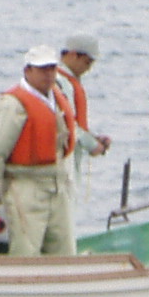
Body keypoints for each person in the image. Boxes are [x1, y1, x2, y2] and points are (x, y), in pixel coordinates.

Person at [0, 46, 77, 256]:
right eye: (42, 69)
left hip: (56, 184)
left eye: (52, 68)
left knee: (64, 250)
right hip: (25, 185)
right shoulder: (13, 104)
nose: (48, 74)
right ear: (28, 70)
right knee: (26, 250)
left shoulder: (57, 98)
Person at [58, 33, 113, 195]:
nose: (88, 69)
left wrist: (94, 138)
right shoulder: (60, 82)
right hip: (62, 159)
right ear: (74, 55)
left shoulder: (68, 81)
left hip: (72, 155)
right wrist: (92, 144)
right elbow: (67, 123)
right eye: (87, 63)